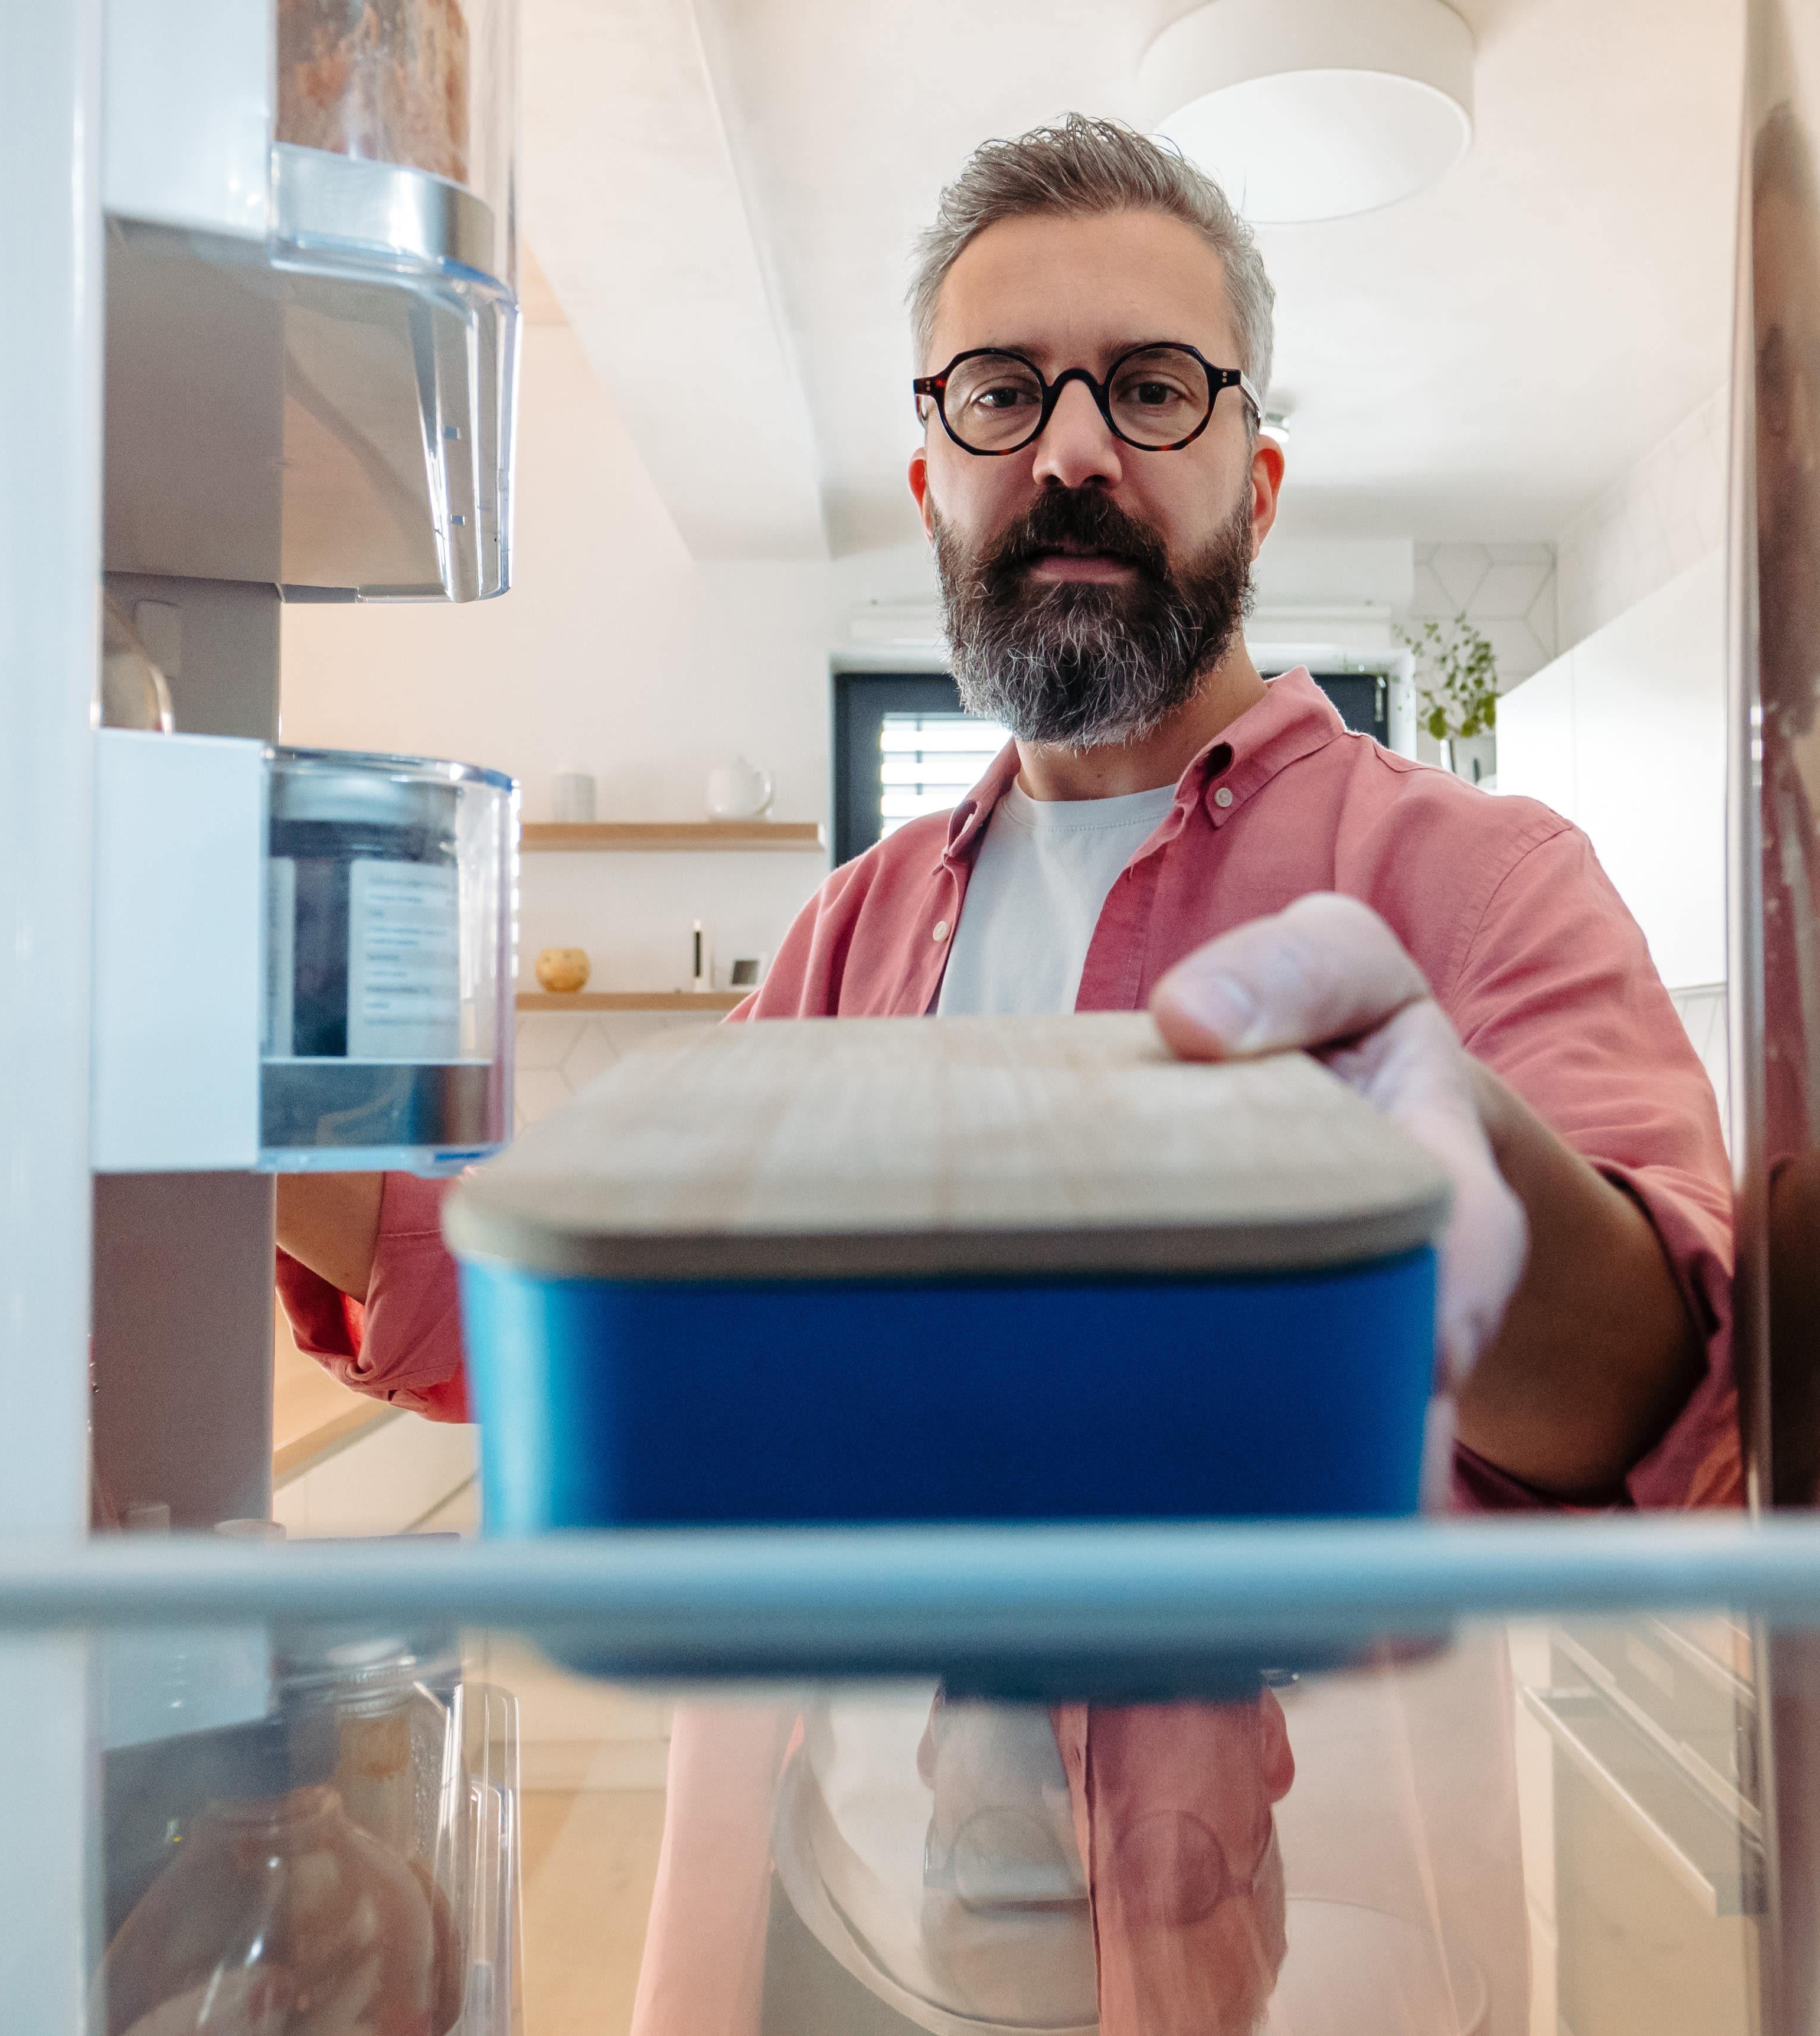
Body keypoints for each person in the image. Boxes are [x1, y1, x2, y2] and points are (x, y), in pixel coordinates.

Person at [274, 114, 1733, 2036]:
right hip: (838, 1936)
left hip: (1312, 1977)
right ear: (933, 481)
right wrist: (211, 1085)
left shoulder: (1477, 882)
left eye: (1148, 388)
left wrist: (1453, 1162)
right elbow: (550, 1295)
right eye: (1001, 394)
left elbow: (1680, 1405)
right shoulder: (850, 940)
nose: (1071, 452)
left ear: (1260, 481)